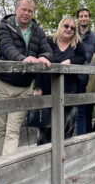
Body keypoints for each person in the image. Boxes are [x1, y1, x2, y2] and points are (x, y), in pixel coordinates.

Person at [0, 0, 53, 155]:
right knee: (0, 129)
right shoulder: (4, 27)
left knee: (13, 130)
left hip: (24, 87)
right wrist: (22, 59)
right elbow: (7, 47)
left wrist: (44, 56)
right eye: (24, 10)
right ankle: (1, 163)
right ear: (16, 9)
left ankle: (6, 167)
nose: (27, 13)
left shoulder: (37, 30)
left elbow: (47, 49)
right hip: (2, 84)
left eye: (30, 11)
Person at [34, 17, 86, 145]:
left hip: (70, 89)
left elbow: (82, 58)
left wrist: (70, 61)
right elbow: (40, 61)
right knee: (46, 129)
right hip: (48, 88)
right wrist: (38, 86)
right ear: (60, 26)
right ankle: (44, 160)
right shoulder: (48, 41)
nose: (69, 29)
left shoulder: (77, 44)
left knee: (67, 129)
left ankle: (64, 159)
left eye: (72, 28)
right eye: (66, 26)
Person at [75, 8, 95, 135]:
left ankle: (80, 144)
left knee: (81, 112)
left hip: (82, 79)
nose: (83, 18)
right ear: (78, 18)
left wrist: (85, 67)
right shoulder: (71, 32)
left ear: (89, 18)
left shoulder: (94, 38)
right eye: (81, 16)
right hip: (66, 77)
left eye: (86, 16)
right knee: (64, 109)